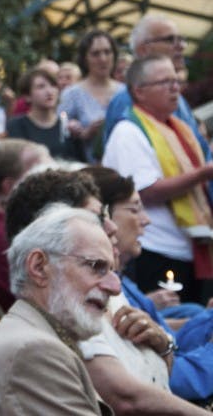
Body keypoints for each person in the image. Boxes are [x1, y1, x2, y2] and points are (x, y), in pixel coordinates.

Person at [0, 204, 118, 416]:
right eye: (96, 267)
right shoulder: (35, 350)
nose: (115, 287)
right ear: (39, 267)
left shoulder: (35, 334)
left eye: (111, 270)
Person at [83, 166, 213, 408]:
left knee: (194, 312)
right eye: (134, 209)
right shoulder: (90, 297)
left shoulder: (122, 285)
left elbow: (170, 342)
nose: (146, 220)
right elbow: (167, 378)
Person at [102, 55, 213, 305]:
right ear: (139, 91)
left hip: (188, 246)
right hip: (156, 248)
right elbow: (145, 190)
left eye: (176, 81)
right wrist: (204, 173)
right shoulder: (127, 132)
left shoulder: (178, 126)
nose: (176, 88)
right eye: (165, 82)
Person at [103, 15, 209, 163]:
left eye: (181, 39)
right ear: (143, 49)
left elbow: (202, 153)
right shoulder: (126, 100)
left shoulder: (179, 100)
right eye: (170, 40)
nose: (182, 46)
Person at [0, 138, 51, 312]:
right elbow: (40, 301)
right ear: (11, 186)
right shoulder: (3, 237)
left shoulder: (23, 223)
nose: (51, 182)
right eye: (40, 175)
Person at [59, 29, 125, 162]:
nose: (103, 59)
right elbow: (59, 127)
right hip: (87, 168)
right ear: (85, 59)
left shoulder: (124, 92)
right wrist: (80, 131)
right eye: (95, 54)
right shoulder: (72, 94)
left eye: (107, 52)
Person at [6, 67, 83, 160]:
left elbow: (79, 161)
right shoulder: (16, 125)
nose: (49, 91)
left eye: (53, 85)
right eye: (41, 87)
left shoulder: (67, 126)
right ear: (27, 96)